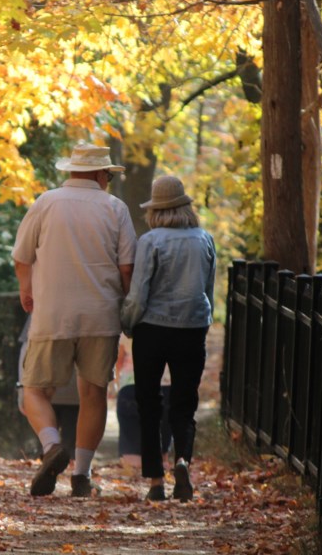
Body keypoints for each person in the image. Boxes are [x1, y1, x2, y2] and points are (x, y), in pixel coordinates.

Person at [12, 141, 136, 497]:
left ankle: (52, 446)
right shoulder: (116, 208)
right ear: (100, 174)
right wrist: (124, 304)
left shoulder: (46, 202)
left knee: (34, 390)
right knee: (93, 392)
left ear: (72, 171)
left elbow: (22, 257)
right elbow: (127, 267)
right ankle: (81, 475)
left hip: (52, 313)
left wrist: (26, 289)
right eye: (108, 175)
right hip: (101, 315)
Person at [121, 175, 216, 502]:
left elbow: (139, 292)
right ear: (185, 206)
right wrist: (204, 322)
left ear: (156, 210)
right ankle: (182, 461)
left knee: (147, 402)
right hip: (192, 327)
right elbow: (209, 290)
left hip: (153, 329)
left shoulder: (151, 241)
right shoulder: (204, 239)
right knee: (184, 402)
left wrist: (129, 324)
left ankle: (155, 481)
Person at [17, 316, 79, 457]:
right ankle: (76, 472)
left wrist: (22, 389)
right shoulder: (91, 300)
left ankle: (49, 467)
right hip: (76, 394)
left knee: (48, 445)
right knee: (72, 447)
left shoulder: (43, 302)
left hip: (43, 394)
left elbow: (26, 350)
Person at [114, 336, 172, 471]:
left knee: (131, 452)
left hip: (131, 387)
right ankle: (157, 481)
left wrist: (117, 385)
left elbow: (118, 362)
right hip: (165, 388)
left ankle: (135, 477)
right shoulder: (175, 323)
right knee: (161, 449)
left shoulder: (130, 328)